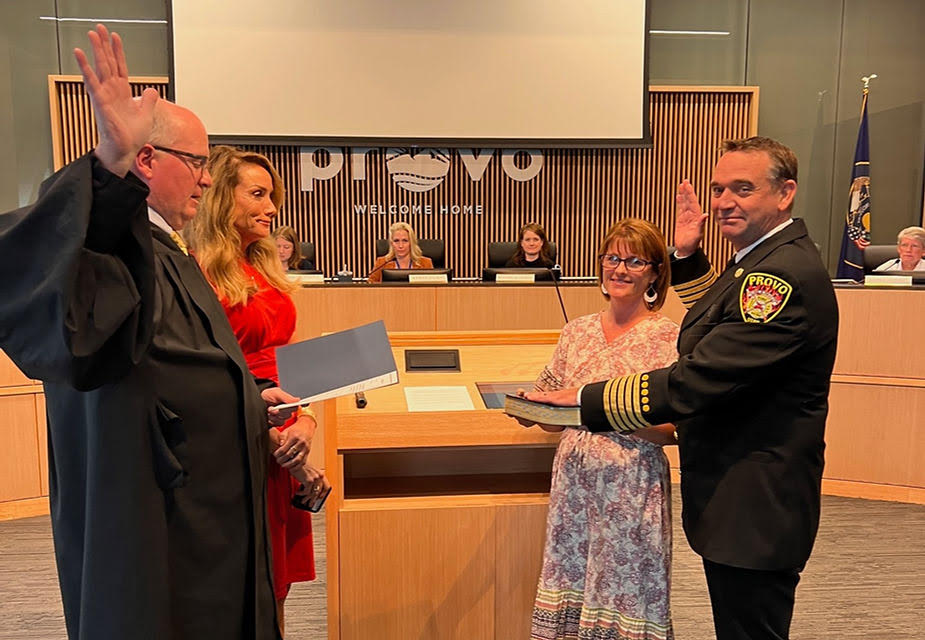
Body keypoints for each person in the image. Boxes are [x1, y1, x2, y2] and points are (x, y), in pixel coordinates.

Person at [0, 26, 296, 639]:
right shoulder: (115, 247)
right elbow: (74, 309)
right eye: (198, 163)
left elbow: (178, 364)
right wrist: (108, 171)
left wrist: (250, 400)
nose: (208, 181)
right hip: (155, 528)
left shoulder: (170, 250)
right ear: (147, 160)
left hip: (204, 525)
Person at [526, 137, 839, 640]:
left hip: (755, 501)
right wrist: (688, 256)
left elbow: (700, 377)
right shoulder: (760, 261)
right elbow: (719, 316)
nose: (724, 202)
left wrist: (587, 400)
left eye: (743, 188)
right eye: (718, 189)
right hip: (741, 495)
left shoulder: (783, 275)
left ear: (785, 193)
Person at [187, 145, 329, 636]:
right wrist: (277, 443)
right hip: (238, 442)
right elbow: (209, 376)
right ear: (221, 197)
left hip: (282, 437)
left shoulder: (263, 268)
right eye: (257, 194)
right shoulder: (195, 272)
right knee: (244, 583)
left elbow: (286, 360)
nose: (271, 208)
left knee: (277, 583)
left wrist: (306, 420)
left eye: (272, 198)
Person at [522, 219, 680, 640]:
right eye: (612, 258)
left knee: (627, 593)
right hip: (574, 490)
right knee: (570, 584)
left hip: (631, 490)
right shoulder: (576, 331)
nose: (620, 269)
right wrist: (530, 409)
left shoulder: (669, 338)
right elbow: (552, 408)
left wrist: (607, 414)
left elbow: (673, 430)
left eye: (634, 261)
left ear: (655, 273)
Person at [367, 221, 433, 282]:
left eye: (405, 241)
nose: (400, 245)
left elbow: (433, 287)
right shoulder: (381, 263)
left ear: (411, 243)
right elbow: (371, 284)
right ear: (391, 243)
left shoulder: (425, 263)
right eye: (396, 241)